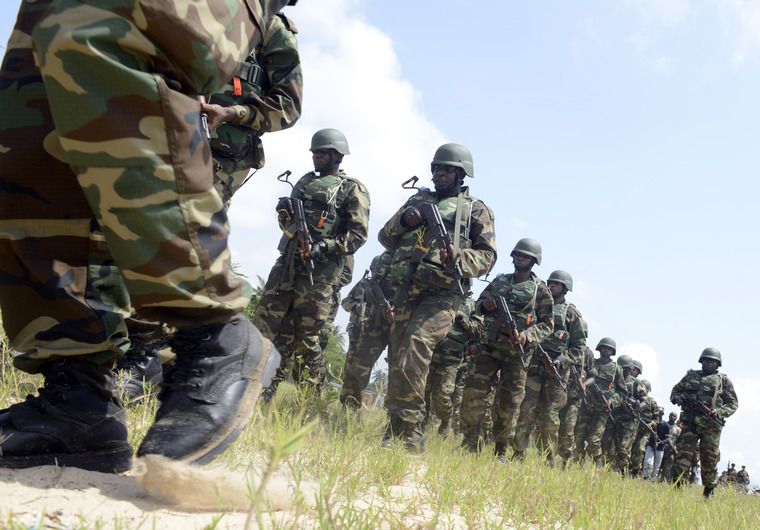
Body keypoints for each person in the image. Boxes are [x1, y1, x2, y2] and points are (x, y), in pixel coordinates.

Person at [0, 0, 296, 473]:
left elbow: (288, 103)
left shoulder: (281, 40)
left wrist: (234, 111)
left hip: (212, 147)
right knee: (32, 107)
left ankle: (211, 331)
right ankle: (77, 394)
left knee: (103, 27)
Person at [379, 143, 497, 453]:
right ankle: (395, 428)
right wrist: (406, 221)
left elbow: (487, 257)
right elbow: (385, 237)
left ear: (461, 173)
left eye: (446, 169)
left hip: (443, 295)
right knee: (397, 359)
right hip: (405, 289)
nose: (438, 173)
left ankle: (411, 433)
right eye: (436, 168)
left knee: (416, 349)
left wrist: (458, 257)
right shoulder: (417, 199)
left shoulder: (475, 209)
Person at [253, 128, 370, 398]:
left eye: (322, 152)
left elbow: (357, 235)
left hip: (320, 273)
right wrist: (284, 211)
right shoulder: (304, 182)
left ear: (337, 156)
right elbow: (289, 227)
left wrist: (324, 246)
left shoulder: (352, 188)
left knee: (306, 338)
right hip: (287, 265)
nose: (316, 156)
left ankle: (310, 397)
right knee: (267, 324)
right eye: (314, 152)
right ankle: (263, 387)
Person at [460, 238, 554, 462]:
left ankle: (501, 449)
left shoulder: (540, 291)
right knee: (474, 392)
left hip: (517, 355)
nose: (519, 259)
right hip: (489, 348)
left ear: (533, 261)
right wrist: (486, 305)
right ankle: (470, 442)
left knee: (510, 403)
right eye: (517, 255)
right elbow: (477, 305)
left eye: (525, 256)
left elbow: (548, 324)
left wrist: (526, 336)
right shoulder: (500, 281)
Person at [203, 13, 303, 207]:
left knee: (185, 227)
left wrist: (232, 113)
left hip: (217, 159)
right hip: (162, 134)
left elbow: (288, 107)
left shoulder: (272, 27)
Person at [512, 270, 586, 465]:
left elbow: (579, 347)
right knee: (526, 410)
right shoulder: (539, 305)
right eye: (550, 283)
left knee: (549, 418)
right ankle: (518, 452)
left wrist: (562, 360)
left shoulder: (571, 314)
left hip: (556, 374)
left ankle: (547, 458)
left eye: (556, 284)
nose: (552, 287)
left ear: (565, 288)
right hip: (534, 368)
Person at [670, 347, 739, 498]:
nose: (709, 363)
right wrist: (677, 398)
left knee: (709, 460)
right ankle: (676, 491)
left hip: (711, 427)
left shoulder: (723, 381)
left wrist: (718, 412)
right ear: (701, 361)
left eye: (713, 361)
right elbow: (675, 391)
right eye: (706, 360)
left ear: (718, 364)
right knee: (682, 456)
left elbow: (733, 404)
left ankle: (708, 492)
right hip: (689, 423)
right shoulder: (690, 376)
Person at [339, 251, 395, 409]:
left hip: (392, 326)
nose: (376, 273)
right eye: (374, 270)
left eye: (379, 270)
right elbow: (346, 302)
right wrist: (358, 306)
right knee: (354, 369)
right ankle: (349, 407)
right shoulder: (364, 284)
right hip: (359, 331)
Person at [423, 296, 481, 439]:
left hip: (452, 358)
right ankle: (419, 430)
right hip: (430, 351)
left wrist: (462, 317)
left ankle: (446, 418)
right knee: (423, 394)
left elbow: (479, 331)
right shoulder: (441, 296)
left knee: (441, 396)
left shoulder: (472, 305)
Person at [573, 337, 627, 466]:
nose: (606, 350)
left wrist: (611, 401)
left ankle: (597, 462)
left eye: (609, 349)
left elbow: (622, 392)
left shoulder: (616, 369)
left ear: (612, 352)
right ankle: (576, 466)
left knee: (593, 441)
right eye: (604, 347)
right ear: (599, 348)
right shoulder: (592, 364)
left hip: (601, 411)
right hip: (585, 406)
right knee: (578, 438)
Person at [557, 321, 596, 466]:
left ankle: (566, 460)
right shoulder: (563, 345)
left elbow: (593, 376)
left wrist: (583, 384)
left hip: (574, 398)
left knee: (567, 429)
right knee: (550, 425)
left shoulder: (587, 354)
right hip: (557, 391)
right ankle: (548, 457)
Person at [600, 354, 647, 474]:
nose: (625, 370)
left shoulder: (636, 383)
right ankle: (605, 471)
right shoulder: (613, 379)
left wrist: (635, 407)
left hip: (628, 421)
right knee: (605, 444)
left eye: (627, 368)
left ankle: (622, 473)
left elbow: (645, 403)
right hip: (612, 417)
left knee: (622, 448)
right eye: (622, 367)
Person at [629, 377, 659, 477]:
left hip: (644, 431)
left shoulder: (652, 403)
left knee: (639, 449)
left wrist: (651, 424)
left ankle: (635, 470)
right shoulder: (634, 399)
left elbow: (656, 418)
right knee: (628, 448)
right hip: (632, 427)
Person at [642, 408, 669, 480]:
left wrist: (659, 443)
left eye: (659, 414)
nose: (658, 415)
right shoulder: (652, 423)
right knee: (646, 461)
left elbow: (667, 439)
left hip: (660, 448)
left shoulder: (666, 425)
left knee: (656, 466)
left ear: (662, 414)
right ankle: (645, 476)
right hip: (651, 445)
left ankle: (653, 479)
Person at [658, 412, 681, 483]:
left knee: (666, 468)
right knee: (658, 465)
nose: (672, 417)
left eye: (674, 416)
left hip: (670, 451)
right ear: (668, 416)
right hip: (661, 448)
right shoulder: (664, 424)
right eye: (671, 415)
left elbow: (678, 441)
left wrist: (675, 448)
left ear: (676, 418)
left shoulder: (678, 429)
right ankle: (653, 479)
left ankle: (661, 482)